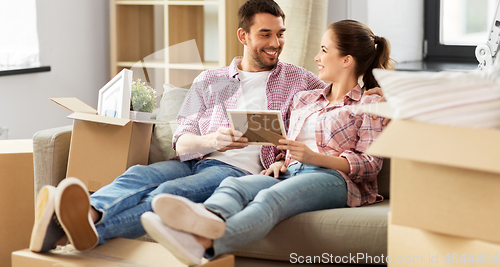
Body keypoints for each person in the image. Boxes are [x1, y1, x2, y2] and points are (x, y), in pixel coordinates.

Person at [29, 0, 327, 253]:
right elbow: (182, 140)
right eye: (266, 34)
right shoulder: (209, 81)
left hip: (236, 172)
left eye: (280, 34)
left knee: (167, 194)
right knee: (137, 175)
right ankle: (88, 214)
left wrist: (371, 89)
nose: (276, 44)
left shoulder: (299, 80)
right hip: (193, 160)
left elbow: (336, 98)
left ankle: (74, 228)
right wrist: (213, 141)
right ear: (244, 36)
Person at [139, 19, 395, 266]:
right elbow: (292, 145)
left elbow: (370, 164)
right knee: (234, 185)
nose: (317, 57)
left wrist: (313, 158)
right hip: (292, 173)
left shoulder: (369, 105)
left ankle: (203, 244)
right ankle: (204, 220)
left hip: (335, 178)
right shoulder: (305, 99)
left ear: (346, 60)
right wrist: (282, 161)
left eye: (324, 50)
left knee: (271, 198)